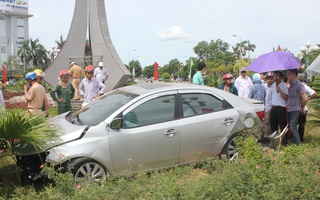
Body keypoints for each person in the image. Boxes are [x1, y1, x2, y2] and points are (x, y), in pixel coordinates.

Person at [286, 69, 307, 145]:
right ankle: (294, 143)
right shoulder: (291, 84)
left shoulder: (299, 84)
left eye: (288, 74)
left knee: (293, 127)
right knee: (291, 127)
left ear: (293, 74)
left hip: (296, 109)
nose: (287, 75)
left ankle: (298, 145)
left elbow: (304, 98)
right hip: (290, 109)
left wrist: (301, 108)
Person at [297, 73, 317, 143]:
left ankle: (300, 139)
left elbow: (314, 93)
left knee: (301, 125)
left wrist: (307, 99)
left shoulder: (304, 87)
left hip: (303, 109)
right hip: (295, 108)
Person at [269, 71, 288, 142]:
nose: (276, 78)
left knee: (282, 125)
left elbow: (286, 97)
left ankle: (284, 141)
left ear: (281, 77)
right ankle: (274, 141)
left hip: (281, 108)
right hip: (273, 107)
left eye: (277, 76)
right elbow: (270, 97)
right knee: (273, 126)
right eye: (274, 76)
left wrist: (279, 89)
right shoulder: (272, 86)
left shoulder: (284, 86)